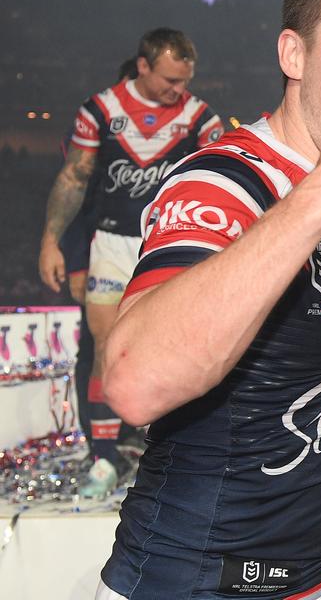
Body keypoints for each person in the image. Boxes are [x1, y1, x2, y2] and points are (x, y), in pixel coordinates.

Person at [97, 0, 321, 600]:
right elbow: (132, 382)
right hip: (189, 584)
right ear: (294, 55)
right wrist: (318, 197)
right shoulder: (225, 181)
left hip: (316, 575)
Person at [37, 28, 225, 496]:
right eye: (168, 80)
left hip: (167, 244)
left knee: (169, 347)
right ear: (142, 66)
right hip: (111, 243)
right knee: (104, 347)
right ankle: (102, 459)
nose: (176, 90)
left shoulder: (199, 116)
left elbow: (220, 176)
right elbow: (74, 179)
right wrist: (50, 241)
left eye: (184, 81)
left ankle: (159, 448)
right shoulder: (100, 110)